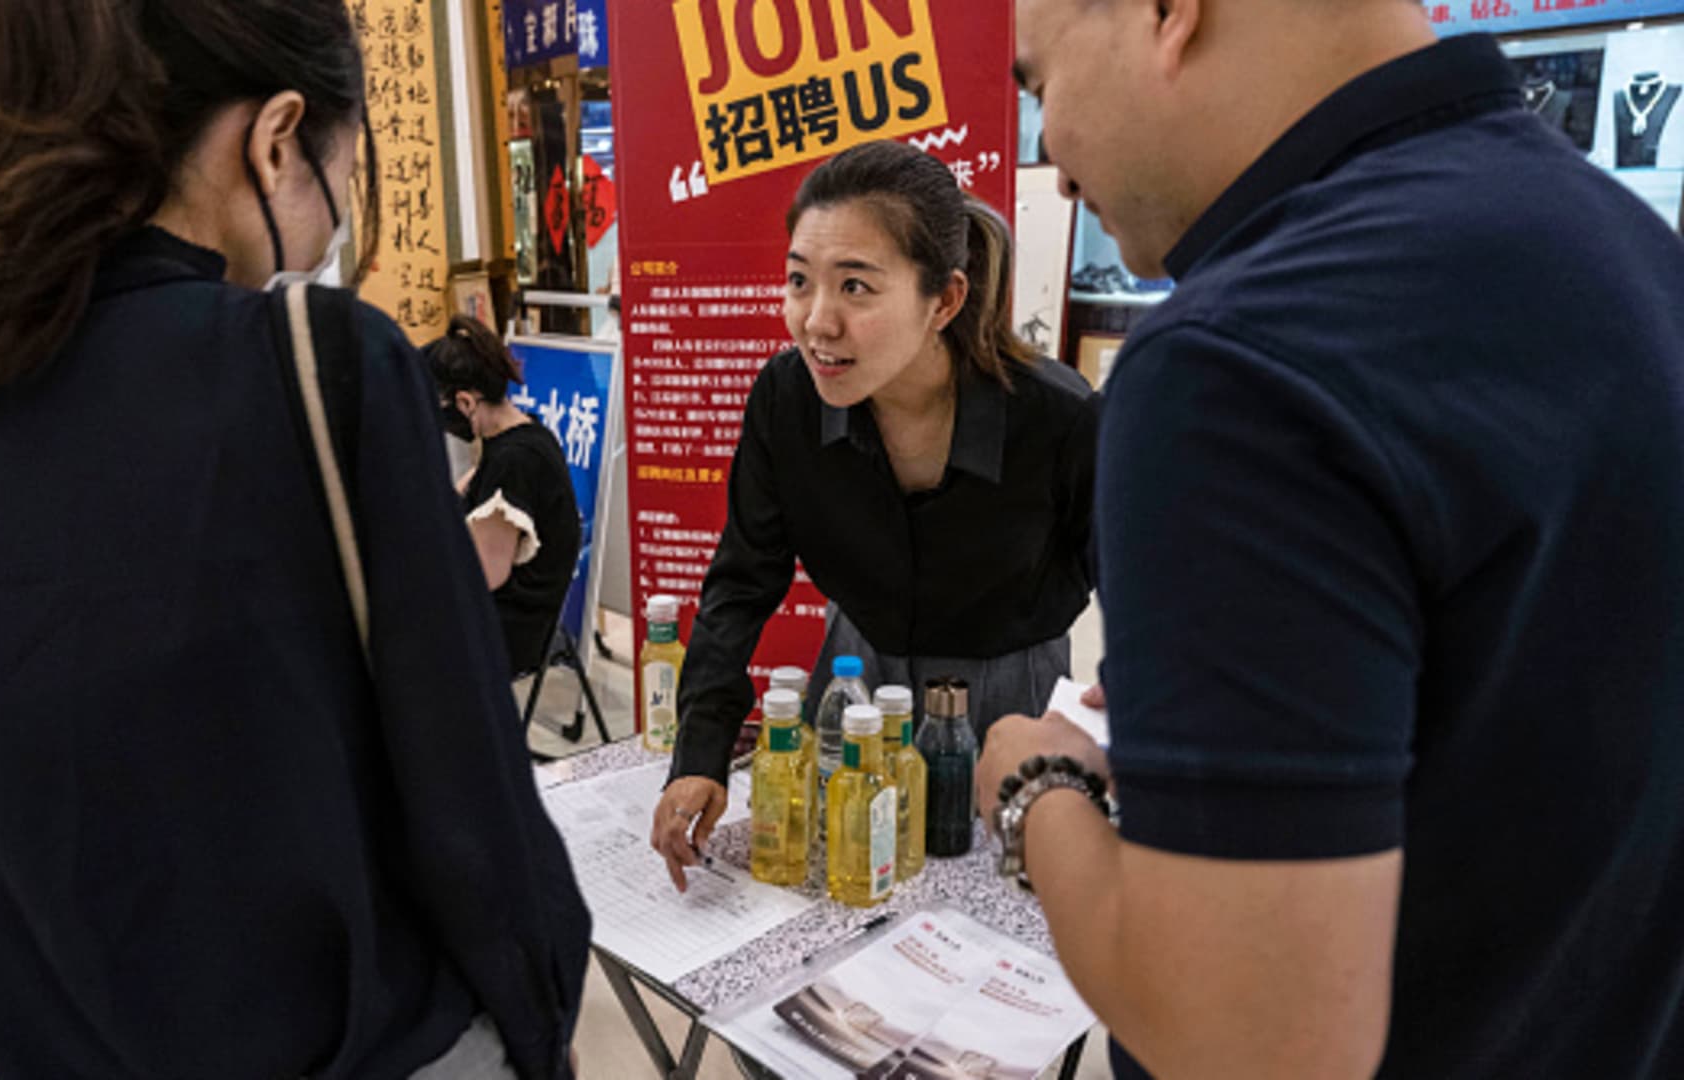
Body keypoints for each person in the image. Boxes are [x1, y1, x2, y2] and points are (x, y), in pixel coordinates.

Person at [0, 2, 588, 1078]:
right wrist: (542, 1024)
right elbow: (469, 795)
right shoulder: (316, 362)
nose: (337, 221)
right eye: (347, 171)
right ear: (277, 137)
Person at [978, 1, 1684, 1077]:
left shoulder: (1235, 364)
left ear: (1168, 14)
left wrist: (1038, 796)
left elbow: (1248, 1047)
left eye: (1040, 88)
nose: (1056, 165)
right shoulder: (1627, 247)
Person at [651, 140, 1100, 890]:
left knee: (994, 931)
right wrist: (699, 753)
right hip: (853, 693)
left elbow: (1147, 607)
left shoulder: (1057, 420)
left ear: (945, 300)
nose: (815, 321)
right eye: (799, 281)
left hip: (1006, 706)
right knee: (839, 898)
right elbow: (742, 580)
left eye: (855, 287)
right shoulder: (785, 401)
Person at [426, 315, 582, 678]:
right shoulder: (520, 435)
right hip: (508, 613)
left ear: (465, 403)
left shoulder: (515, 462)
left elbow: (485, 575)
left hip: (512, 630)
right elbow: (467, 486)